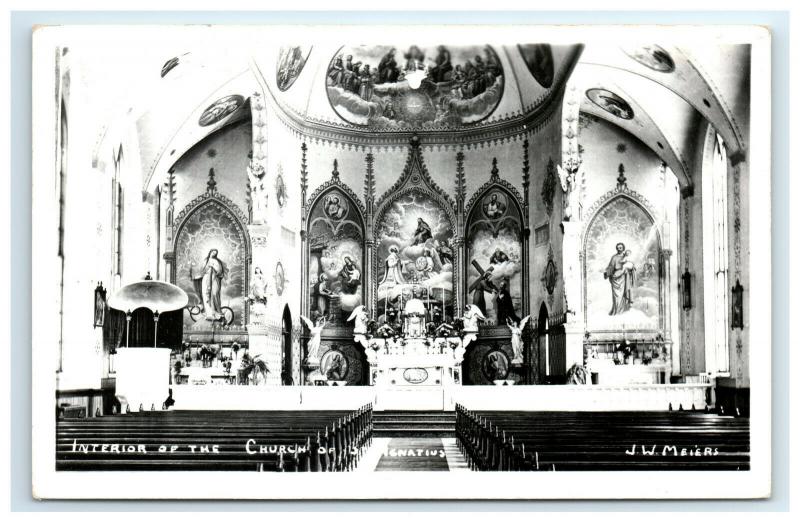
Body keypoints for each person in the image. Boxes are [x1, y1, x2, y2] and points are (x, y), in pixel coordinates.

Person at [604, 242, 635, 315]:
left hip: (623, 278)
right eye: (618, 248)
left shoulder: (626, 256)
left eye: (620, 248)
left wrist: (629, 269)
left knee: (623, 295)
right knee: (616, 297)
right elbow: (611, 267)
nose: (619, 249)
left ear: (623, 248)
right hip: (615, 278)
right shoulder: (614, 257)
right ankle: (616, 311)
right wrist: (606, 272)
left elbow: (631, 264)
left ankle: (622, 311)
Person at [201, 249, 225, 321]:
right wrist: (208, 267)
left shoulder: (216, 261)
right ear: (210, 252)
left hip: (214, 278)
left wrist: (213, 266)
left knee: (214, 293)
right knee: (206, 294)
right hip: (206, 278)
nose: (214, 254)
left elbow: (219, 271)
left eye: (215, 253)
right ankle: (209, 313)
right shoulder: (206, 260)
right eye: (213, 252)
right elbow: (202, 270)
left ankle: (217, 312)